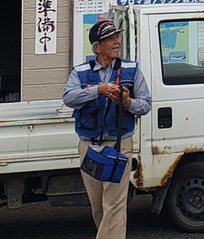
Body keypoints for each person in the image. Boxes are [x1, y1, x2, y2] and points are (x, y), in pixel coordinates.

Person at [63, 20, 152, 239]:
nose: (117, 41)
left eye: (117, 37)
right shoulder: (80, 72)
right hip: (89, 147)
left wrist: (127, 102)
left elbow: (146, 104)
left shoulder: (131, 69)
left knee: (114, 205)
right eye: (110, 39)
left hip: (119, 145)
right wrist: (97, 91)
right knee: (99, 207)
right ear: (96, 47)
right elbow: (68, 98)